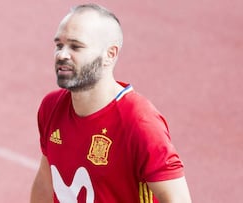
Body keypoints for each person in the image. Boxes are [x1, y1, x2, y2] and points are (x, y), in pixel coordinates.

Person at [30, 3, 191, 203]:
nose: (62, 55)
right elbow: (46, 183)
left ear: (110, 54)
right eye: (59, 45)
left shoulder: (139, 122)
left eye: (76, 46)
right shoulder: (51, 107)